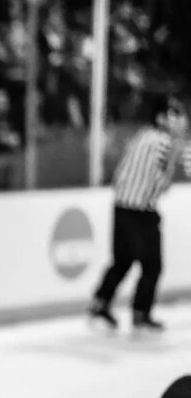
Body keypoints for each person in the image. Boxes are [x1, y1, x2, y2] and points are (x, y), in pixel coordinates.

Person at [88, 95, 188, 332]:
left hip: (122, 205)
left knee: (122, 260)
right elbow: (166, 181)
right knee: (152, 265)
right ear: (162, 118)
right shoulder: (165, 142)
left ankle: (100, 302)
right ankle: (140, 313)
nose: (181, 121)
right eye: (176, 116)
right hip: (141, 211)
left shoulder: (142, 136)